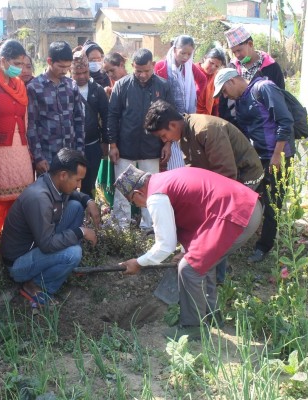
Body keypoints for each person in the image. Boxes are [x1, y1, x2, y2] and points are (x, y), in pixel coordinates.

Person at [114, 165, 262, 340]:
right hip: (249, 207)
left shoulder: (156, 197)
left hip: (234, 215)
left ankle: (193, 327)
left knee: (188, 268)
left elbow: (164, 247)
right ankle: (211, 316)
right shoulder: (165, 179)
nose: (139, 206)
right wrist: (186, 250)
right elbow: (194, 206)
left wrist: (138, 263)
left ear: (138, 193)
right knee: (202, 263)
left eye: (134, 203)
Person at [144, 99, 264, 283]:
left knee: (223, 226)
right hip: (223, 181)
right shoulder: (184, 134)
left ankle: (216, 276)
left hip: (243, 177)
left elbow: (227, 176)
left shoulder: (206, 130)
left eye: (163, 135)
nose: (164, 141)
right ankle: (208, 268)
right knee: (209, 223)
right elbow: (194, 170)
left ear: (173, 124)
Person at [0, 148, 101, 308]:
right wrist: (80, 232)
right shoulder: (39, 198)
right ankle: (37, 286)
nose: (79, 185)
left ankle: (59, 269)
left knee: (75, 206)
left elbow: (73, 195)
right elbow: (47, 244)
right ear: (63, 175)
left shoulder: (52, 183)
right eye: (77, 180)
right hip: (19, 263)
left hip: (37, 245)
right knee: (73, 253)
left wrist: (88, 201)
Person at [214, 68, 295, 263]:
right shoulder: (242, 100)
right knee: (247, 196)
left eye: (224, 91)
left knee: (272, 204)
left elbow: (285, 121)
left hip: (277, 157)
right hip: (257, 158)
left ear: (232, 81)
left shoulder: (264, 88)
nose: (225, 96)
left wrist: (277, 156)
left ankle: (264, 247)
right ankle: (238, 238)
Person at [106, 48, 174, 230]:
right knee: (122, 188)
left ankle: (149, 228)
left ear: (153, 65)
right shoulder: (122, 85)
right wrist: (112, 144)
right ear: (132, 67)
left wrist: (167, 143)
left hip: (152, 147)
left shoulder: (163, 86)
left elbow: (169, 119)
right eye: (138, 71)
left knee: (151, 189)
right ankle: (121, 227)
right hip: (125, 146)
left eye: (146, 70)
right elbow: (112, 115)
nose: (142, 75)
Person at [0, 40, 34, 246]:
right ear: (2, 61)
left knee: (18, 201)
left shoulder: (19, 85)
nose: (20, 68)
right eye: (16, 63)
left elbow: (25, 118)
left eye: (22, 63)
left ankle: (12, 243)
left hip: (19, 150)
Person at [27, 41, 85, 176]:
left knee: (69, 194)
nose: (64, 70)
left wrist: (80, 152)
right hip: (47, 156)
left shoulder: (72, 86)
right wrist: (38, 157)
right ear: (49, 61)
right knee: (47, 194)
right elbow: (31, 125)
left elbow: (79, 120)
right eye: (60, 66)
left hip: (70, 155)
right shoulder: (34, 87)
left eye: (67, 67)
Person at [154, 35, 207, 170]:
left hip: (185, 116)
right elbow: (158, 90)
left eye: (189, 54)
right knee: (167, 155)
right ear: (174, 49)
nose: (185, 57)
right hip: (166, 116)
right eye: (182, 53)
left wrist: (194, 96)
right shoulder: (162, 66)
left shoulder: (189, 67)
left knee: (184, 154)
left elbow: (202, 80)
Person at [219, 25, 285, 125]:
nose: (237, 55)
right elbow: (223, 102)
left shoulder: (271, 68)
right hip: (237, 126)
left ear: (250, 44)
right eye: (234, 52)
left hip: (263, 127)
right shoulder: (231, 68)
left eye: (239, 50)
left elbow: (279, 100)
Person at [70, 49, 109, 197]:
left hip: (92, 145)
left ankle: (88, 215)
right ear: (70, 71)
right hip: (71, 146)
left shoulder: (97, 90)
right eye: (77, 73)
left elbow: (106, 116)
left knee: (89, 184)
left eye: (85, 72)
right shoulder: (66, 89)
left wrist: (105, 142)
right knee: (70, 184)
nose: (81, 76)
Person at [196, 47, 226, 115]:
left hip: (207, 117)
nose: (213, 67)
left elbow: (216, 102)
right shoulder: (193, 71)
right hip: (191, 116)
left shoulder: (216, 77)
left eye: (216, 66)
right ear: (205, 58)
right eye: (211, 63)